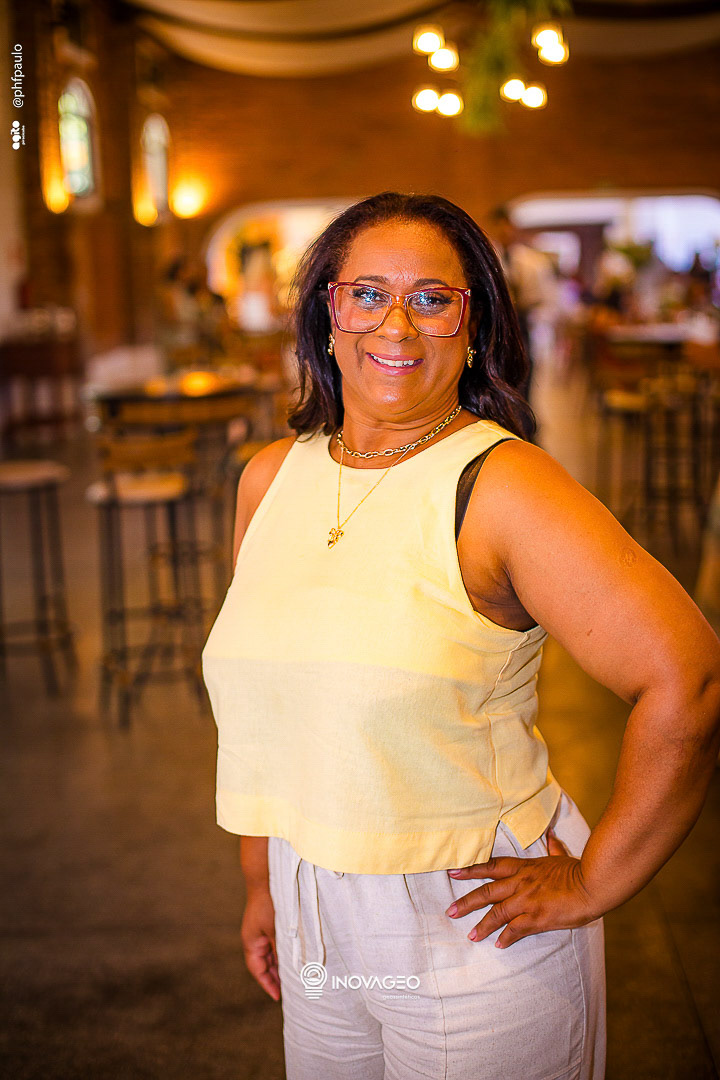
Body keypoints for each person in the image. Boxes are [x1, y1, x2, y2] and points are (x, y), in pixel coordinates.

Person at [201, 192, 720, 1080]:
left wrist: (595, 879)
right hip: (308, 911)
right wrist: (264, 882)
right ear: (328, 311)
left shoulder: (502, 484)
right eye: (368, 294)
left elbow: (689, 676)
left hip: (470, 929)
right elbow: (270, 719)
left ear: (473, 324)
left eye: (432, 299)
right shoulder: (270, 479)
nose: (396, 324)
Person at [489, 205, 557, 410]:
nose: (504, 231)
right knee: (498, 372)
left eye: (507, 226)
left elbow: (543, 296)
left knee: (524, 370)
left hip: (522, 323)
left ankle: (524, 413)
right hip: (496, 325)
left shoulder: (530, 260)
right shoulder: (489, 257)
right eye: (499, 227)